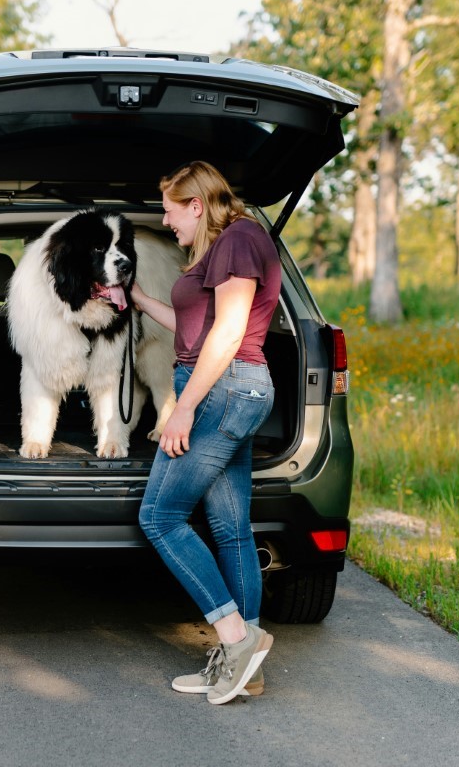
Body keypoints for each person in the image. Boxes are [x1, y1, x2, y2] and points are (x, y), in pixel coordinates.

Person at [130, 160, 281, 705]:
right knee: (230, 527)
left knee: (161, 517)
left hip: (223, 388)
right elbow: (198, 329)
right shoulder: (225, 247)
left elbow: (231, 331)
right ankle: (244, 670)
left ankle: (238, 639)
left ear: (196, 204)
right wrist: (139, 302)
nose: (167, 223)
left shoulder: (239, 240)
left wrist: (182, 407)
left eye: (170, 212)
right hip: (224, 383)